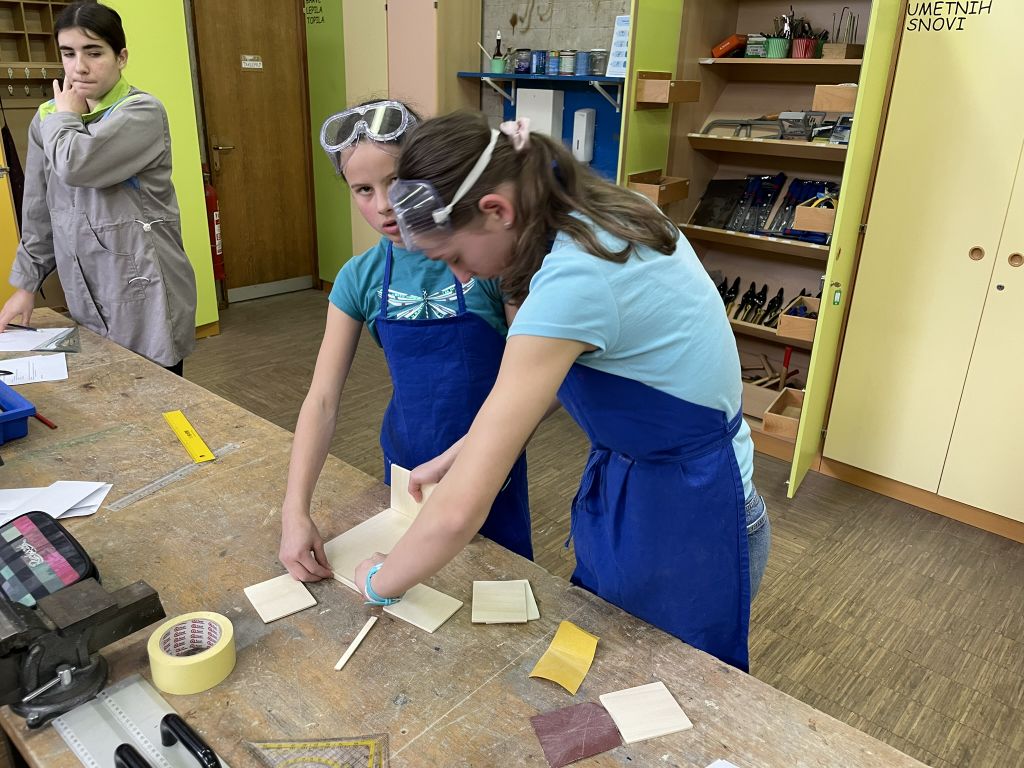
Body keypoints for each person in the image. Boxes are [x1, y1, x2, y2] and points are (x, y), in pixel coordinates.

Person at [355, 111, 771, 671]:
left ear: (496, 210)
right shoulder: (602, 215)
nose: (462, 279)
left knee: (667, 693)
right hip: (648, 496)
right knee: (608, 672)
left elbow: (459, 515)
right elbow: (550, 383)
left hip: (696, 518)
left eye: (453, 257)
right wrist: (459, 455)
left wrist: (380, 580)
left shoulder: (576, 279)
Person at [278, 100, 532, 582]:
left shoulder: (487, 255)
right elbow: (322, 400)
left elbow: (531, 382)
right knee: (411, 590)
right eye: (363, 190)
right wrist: (295, 510)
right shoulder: (359, 277)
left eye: (396, 181)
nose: (384, 205)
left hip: (488, 456)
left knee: (493, 586)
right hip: (406, 461)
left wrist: (473, 458)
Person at [0, 1, 196, 374]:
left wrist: (65, 116)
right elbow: (39, 210)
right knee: (106, 384)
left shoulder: (141, 112)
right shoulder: (48, 119)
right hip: (86, 287)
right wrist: (26, 286)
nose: (79, 67)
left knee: (157, 390)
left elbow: (77, 164)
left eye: (94, 52)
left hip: (143, 287)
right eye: (68, 53)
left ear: (121, 57)